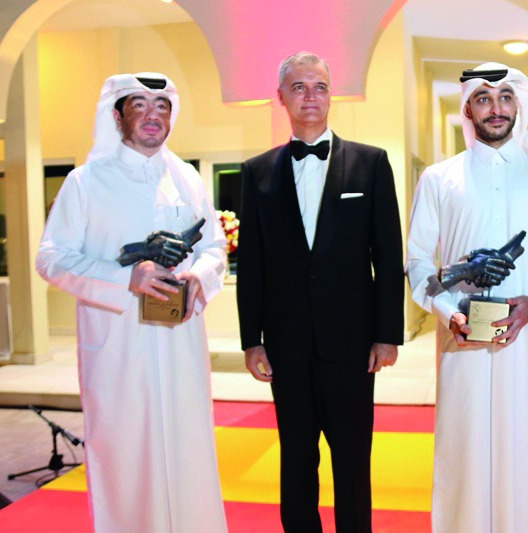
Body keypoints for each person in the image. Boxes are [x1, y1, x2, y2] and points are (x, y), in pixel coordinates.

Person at [406, 62, 528, 533]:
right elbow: (418, 265)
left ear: (520, 104)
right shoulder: (438, 179)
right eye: (484, 98)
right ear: (468, 107)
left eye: (506, 97)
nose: (496, 108)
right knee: (464, 451)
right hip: (462, 345)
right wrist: (449, 313)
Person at [36, 73, 228, 533]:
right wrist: (127, 278)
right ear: (117, 115)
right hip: (118, 351)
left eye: (162, 105)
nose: (152, 115)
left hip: (180, 345)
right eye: (139, 105)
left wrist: (198, 276)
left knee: (188, 451)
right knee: (125, 458)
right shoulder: (85, 182)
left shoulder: (186, 177)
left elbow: (215, 248)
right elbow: (51, 258)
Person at [236, 52, 404, 533]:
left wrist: (386, 334)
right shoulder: (256, 171)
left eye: (320, 86)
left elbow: (387, 257)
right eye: (299, 87)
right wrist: (252, 339)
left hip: (351, 347)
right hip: (286, 348)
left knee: (353, 464)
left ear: (332, 94)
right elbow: (252, 264)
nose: (310, 96)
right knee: (295, 464)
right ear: (281, 97)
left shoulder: (371, 164)